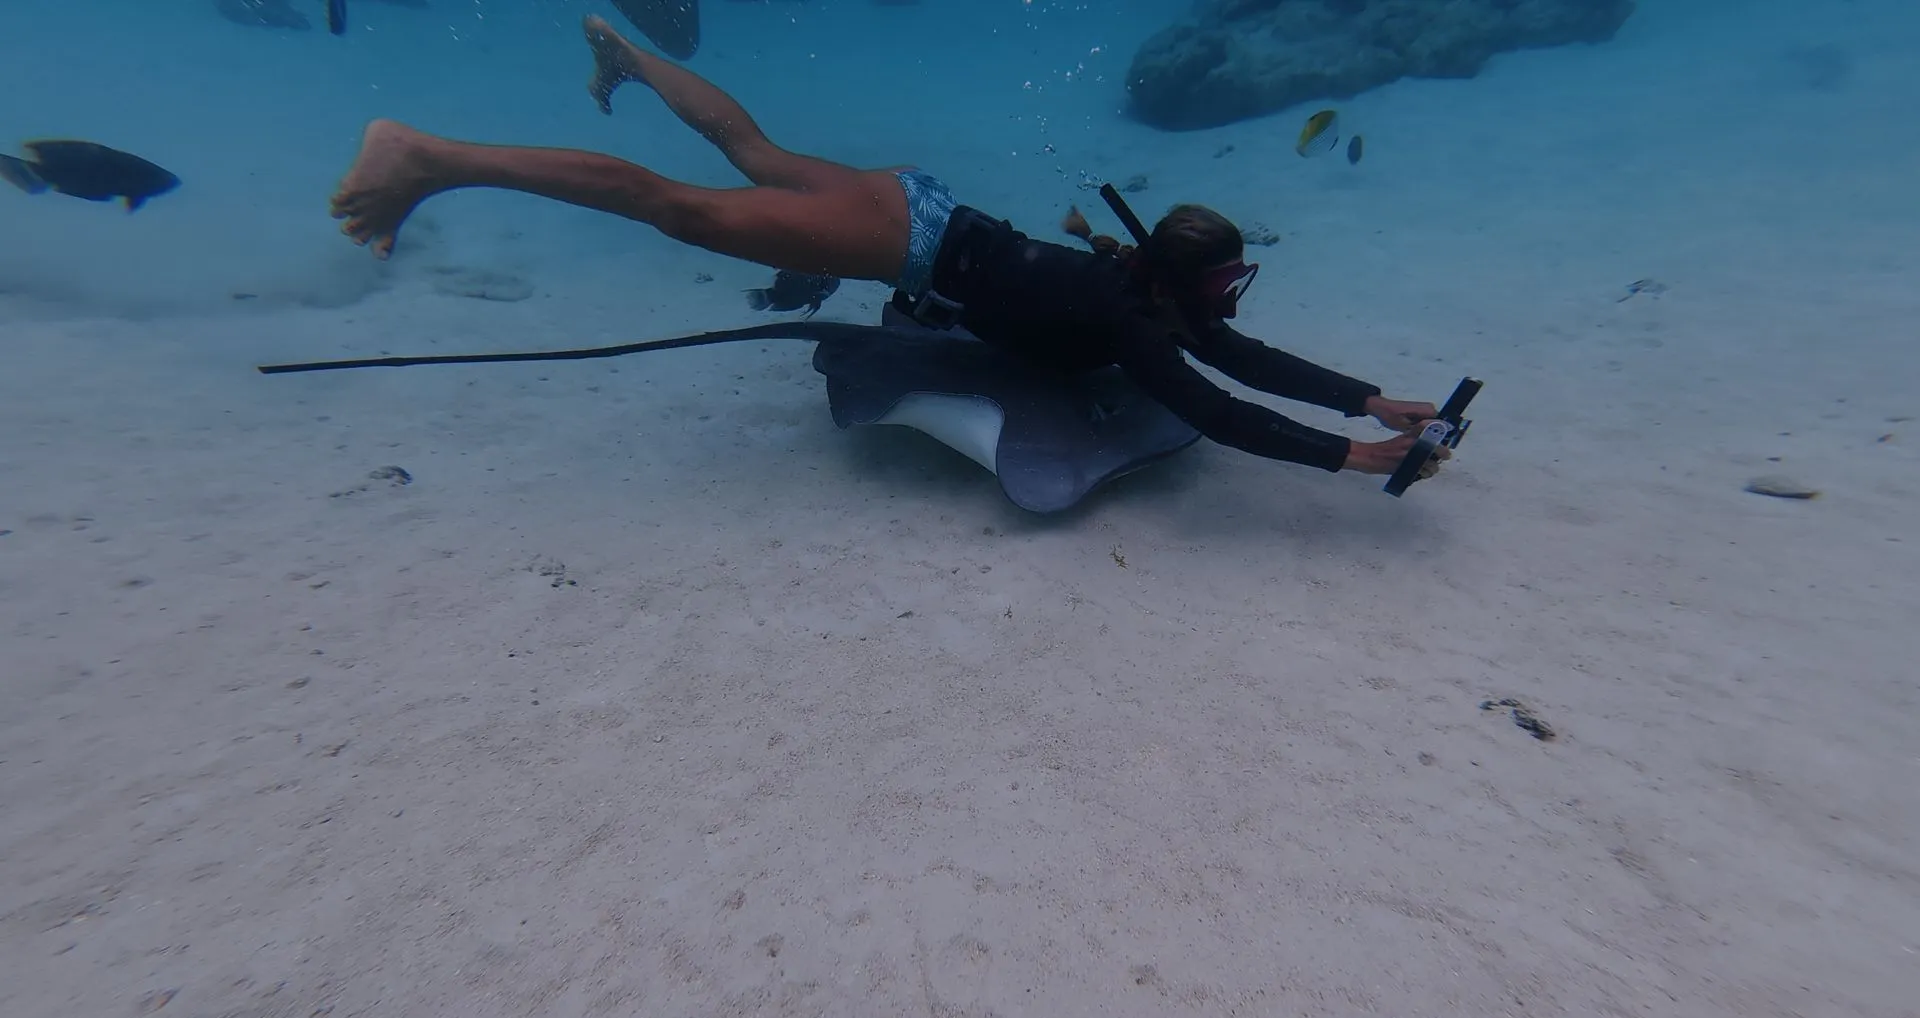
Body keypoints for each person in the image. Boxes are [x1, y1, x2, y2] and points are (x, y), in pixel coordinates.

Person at [330, 15, 1448, 478]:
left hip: (922, 205)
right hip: (900, 236)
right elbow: (1215, 404)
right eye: (1229, 279)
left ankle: (624, 54)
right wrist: (1352, 461)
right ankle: (428, 156)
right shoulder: (1128, 315)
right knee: (681, 208)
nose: (1235, 297)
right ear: (1181, 278)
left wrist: (1371, 401)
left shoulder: (1141, 290)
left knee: (752, 151)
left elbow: (1241, 361)